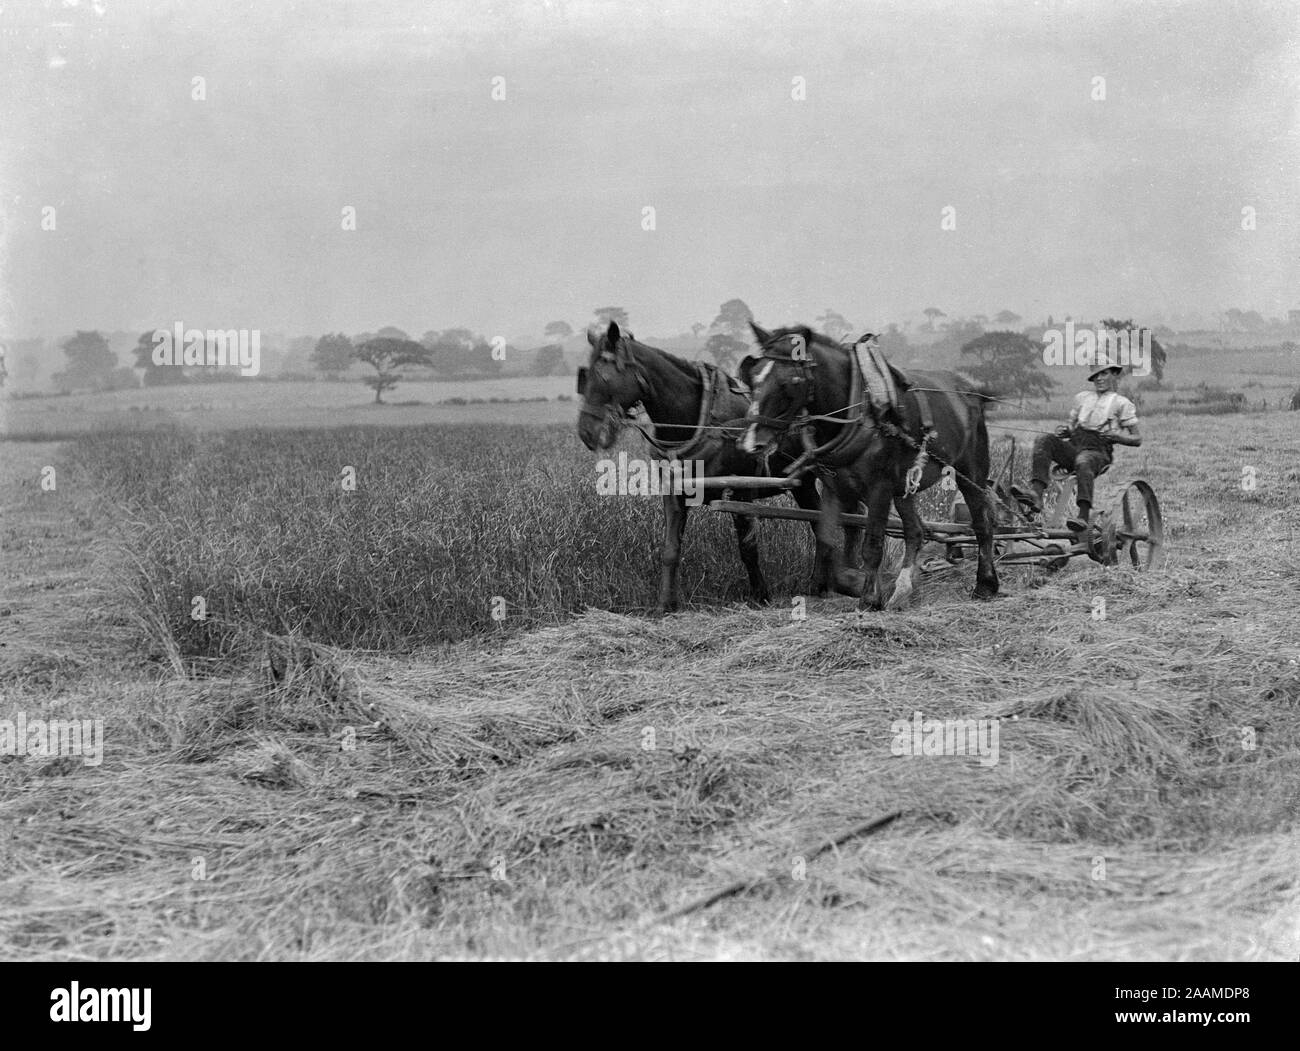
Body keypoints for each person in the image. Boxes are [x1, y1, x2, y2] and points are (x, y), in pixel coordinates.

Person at [1010, 361, 1141, 532]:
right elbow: (1071, 428)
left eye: (1104, 374)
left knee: (1083, 461)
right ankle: (1036, 494)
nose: (1099, 378)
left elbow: (1137, 439)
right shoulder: (1082, 398)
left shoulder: (1122, 404)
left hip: (1098, 453)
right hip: (1074, 448)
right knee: (1044, 440)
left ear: (1114, 374)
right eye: (1096, 375)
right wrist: (1066, 431)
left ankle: (1083, 516)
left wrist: (1117, 437)